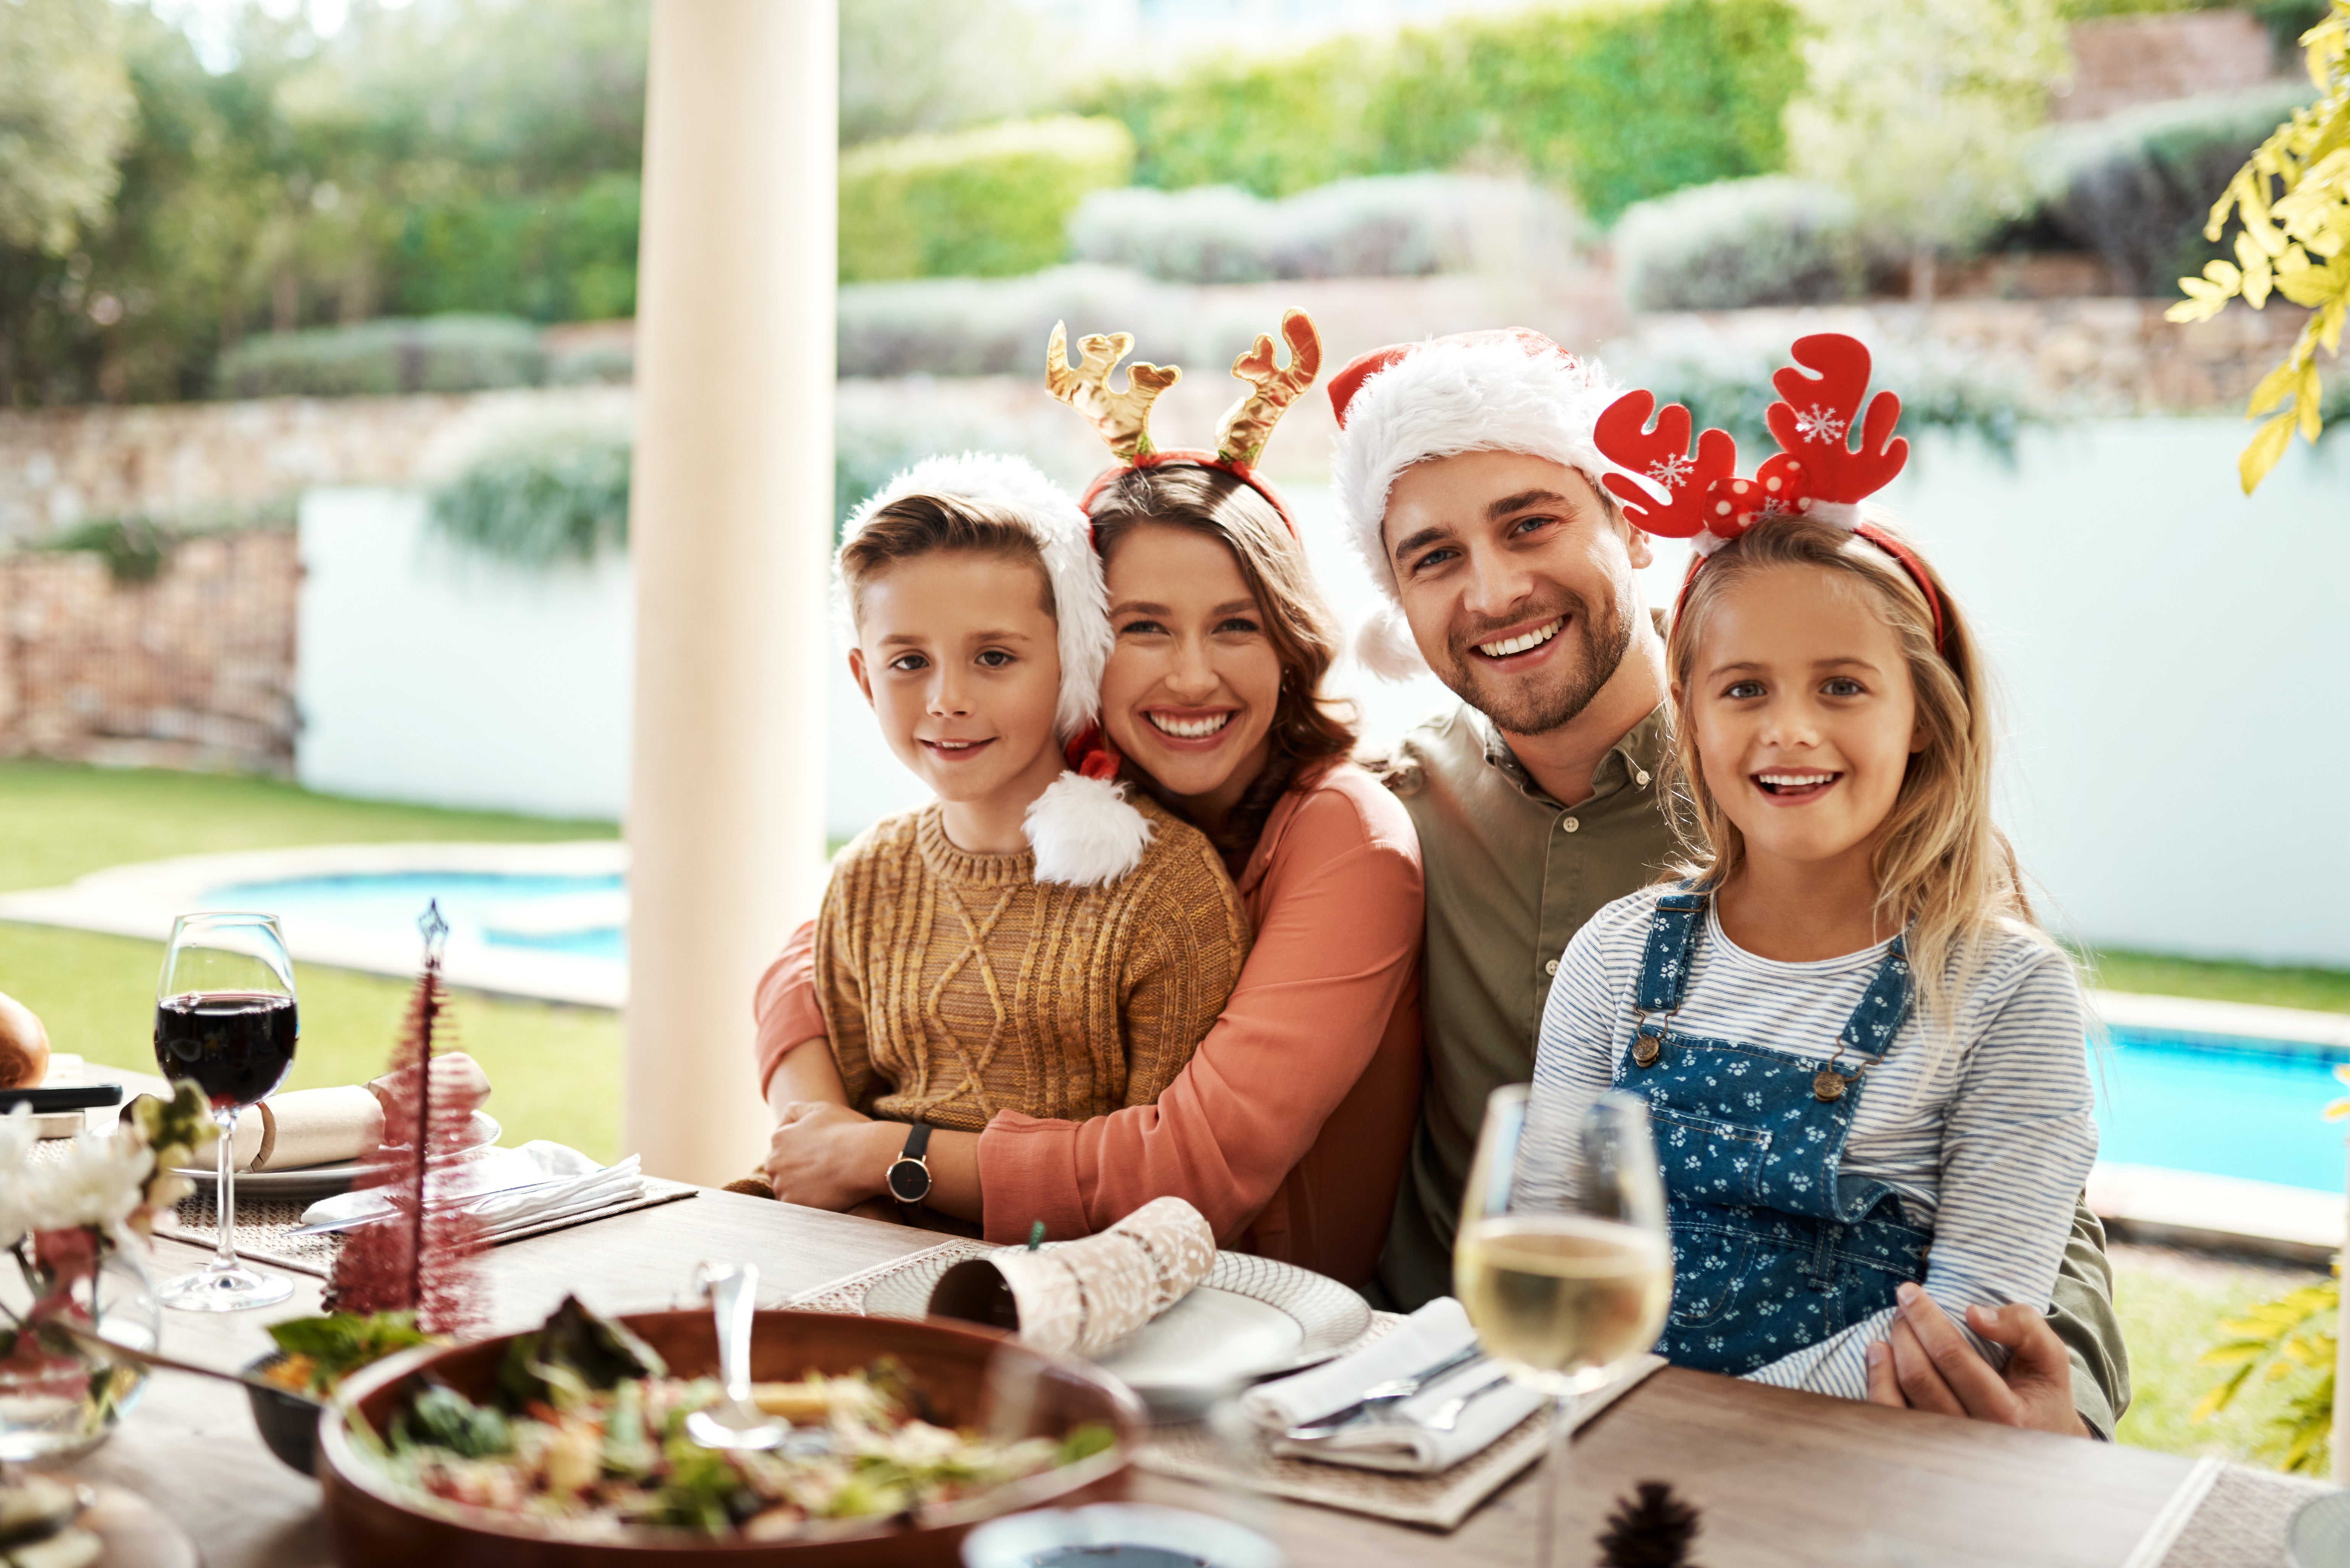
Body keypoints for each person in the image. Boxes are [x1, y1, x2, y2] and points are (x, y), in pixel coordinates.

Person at [1330, 327, 2128, 1436]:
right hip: (1524, 1410)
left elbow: (2019, 1220)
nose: (1496, 588)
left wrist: (2047, 1407)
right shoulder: (1390, 816)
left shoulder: (1829, 804)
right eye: (1434, 556)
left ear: (1626, 527)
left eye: (1531, 523)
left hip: (1832, 1456)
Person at [753, 314, 1423, 1287]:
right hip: (951, 1274)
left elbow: (1188, 1169)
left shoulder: (1344, 834)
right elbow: (806, 960)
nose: (1191, 677)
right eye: (1146, 627)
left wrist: (877, 1155)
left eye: (1236, 625)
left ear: (1287, 638)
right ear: (1084, 645)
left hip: (1255, 1313)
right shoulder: (1076, 784)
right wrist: (812, 1125)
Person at [1530, 334, 2097, 1402]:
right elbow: (1550, 1250)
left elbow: (1968, 1338)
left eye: (1842, 686)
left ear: (1925, 716)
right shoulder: (1614, 957)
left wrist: (1696, 1419)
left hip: (1848, 1488)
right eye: (1744, 689)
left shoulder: (2007, 996)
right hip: (1610, 1456)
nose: (1791, 730)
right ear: (1687, 720)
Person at [740, 453, 1250, 1230]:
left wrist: (887, 1163)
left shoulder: (1166, 891)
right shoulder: (868, 876)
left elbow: (1153, 1183)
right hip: (846, 1257)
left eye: (994, 657)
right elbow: (822, 1142)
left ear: (1070, 660)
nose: (947, 699)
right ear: (864, 678)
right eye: (908, 661)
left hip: (1058, 1289)